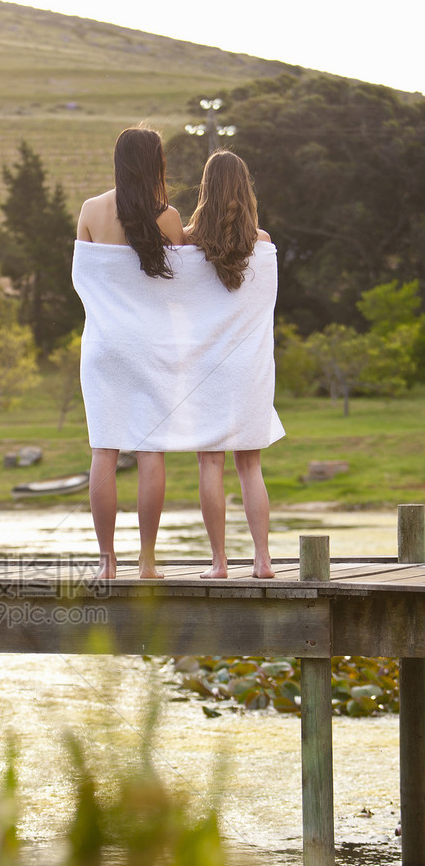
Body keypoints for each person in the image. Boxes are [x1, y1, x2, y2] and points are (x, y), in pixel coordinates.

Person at [76, 126, 185, 581]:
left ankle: (106, 563)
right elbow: (184, 288)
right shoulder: (169, 217)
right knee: (150, 452)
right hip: (152, 346)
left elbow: (83, 278)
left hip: (102, 345)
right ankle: (147, 560)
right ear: (157, 164)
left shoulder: (91, 210)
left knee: (104, 451)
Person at [184, 149, 274, 579]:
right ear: (245, 189)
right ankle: (263, 560)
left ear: (207, 189)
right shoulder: (265, 245)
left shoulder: (186, 243)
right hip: (250, 369)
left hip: (205, 370)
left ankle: (219, 563)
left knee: (210, 464)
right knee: (250, 465)